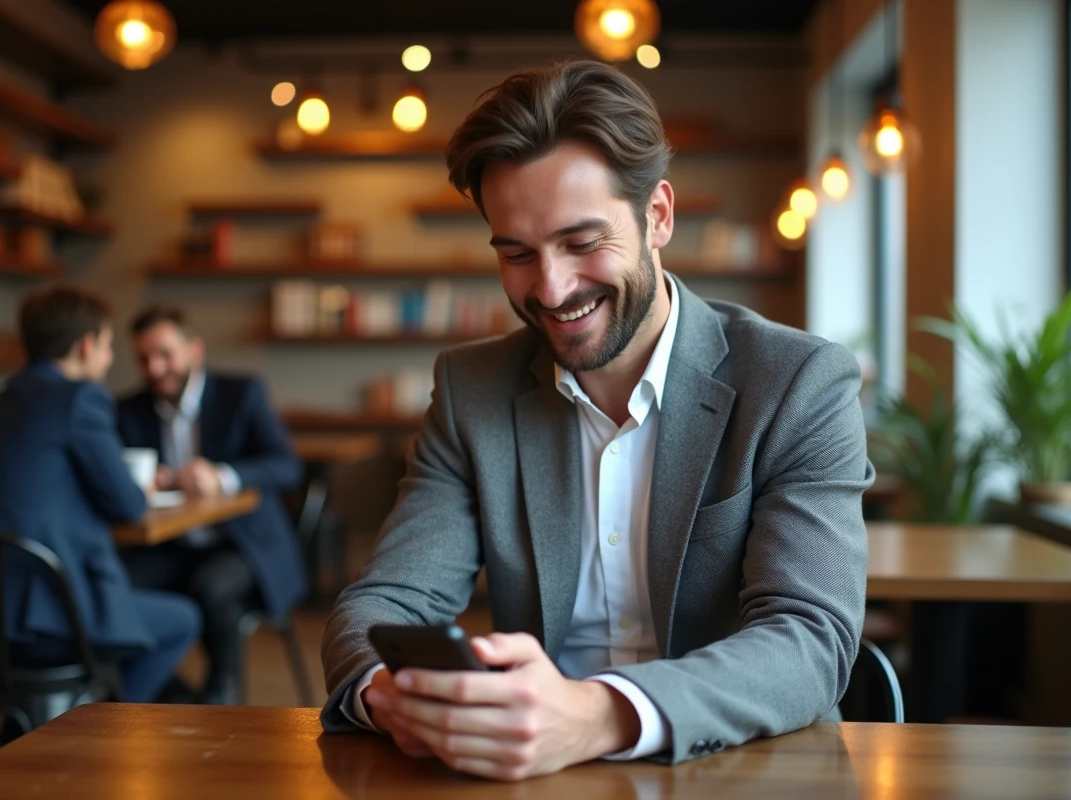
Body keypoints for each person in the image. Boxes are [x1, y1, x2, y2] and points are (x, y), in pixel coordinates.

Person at [320, 59, 873, 780]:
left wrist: (598, 713)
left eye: (582, 243)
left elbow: (809, 639)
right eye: (517, 253)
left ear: (659, 217)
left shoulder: (797, 382)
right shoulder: (471, 388)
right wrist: (391, 694)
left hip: (741, 771)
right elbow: (388, 601)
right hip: (534, 777)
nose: (551, 288)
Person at [0, 286, 201, 704]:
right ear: (86, 345)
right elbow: (129, 505)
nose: (110, 357)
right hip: (47, 619)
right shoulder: (80, 398)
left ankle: (47, 723)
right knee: (184, 619)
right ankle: (98, 729)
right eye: (107, 344)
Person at [115, 305, 307, 705]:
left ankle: (223, 693)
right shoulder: (129, 409)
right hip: (172, 542)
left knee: (212, 587)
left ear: (194, 351)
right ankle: (172, 695)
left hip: (243, 544)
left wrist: (222, 476)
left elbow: (287, 466)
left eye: (165, 354)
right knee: (116, 586)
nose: (154, 368)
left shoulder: (241, 393)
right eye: (144, 358)